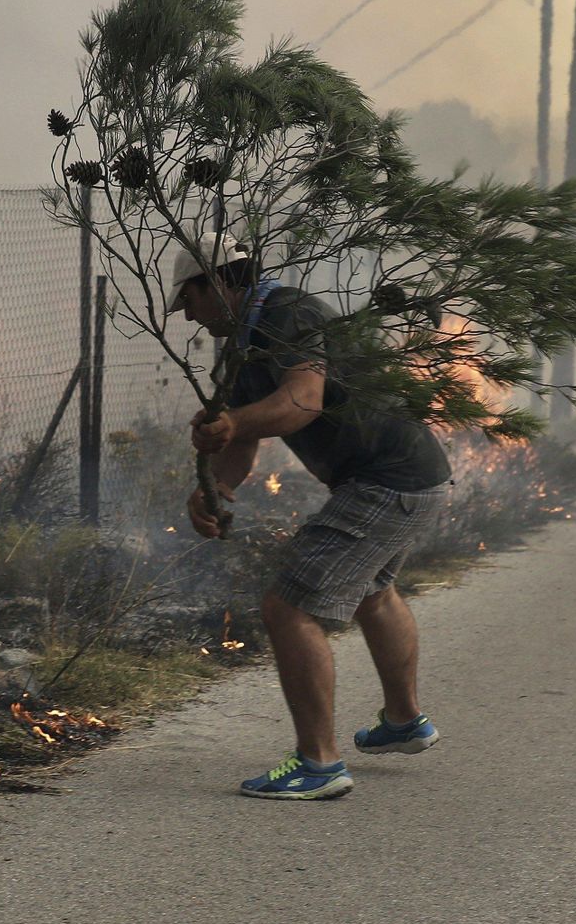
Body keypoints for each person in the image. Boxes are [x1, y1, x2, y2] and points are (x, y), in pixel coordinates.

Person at [171, 232, 453, 800]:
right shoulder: (244, 344)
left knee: (288, 606)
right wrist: (218, 484)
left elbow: (302, 400)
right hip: (407, 476)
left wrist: (231, 422)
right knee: (375, 590)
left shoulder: (287, 315)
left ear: (219, 281)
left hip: (386, 480)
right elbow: (246, 433)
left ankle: (318, 765)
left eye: (191, 302)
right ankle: (404, 723)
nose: (191, 319)